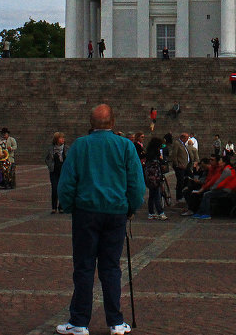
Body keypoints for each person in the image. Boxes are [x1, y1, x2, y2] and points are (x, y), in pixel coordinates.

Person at [56, 103, 144, 335]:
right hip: (115, 212)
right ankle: (115, 322)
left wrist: (69, 206)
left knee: (84, 267)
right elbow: (136, 183)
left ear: (91, 124)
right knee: (111, 268)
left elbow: (66, 182)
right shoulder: (125, 146)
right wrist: (132, 207)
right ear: (113, 123)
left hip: (86, 212)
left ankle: (79, 322)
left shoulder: (80, 145)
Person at [143, 136, 168, 220]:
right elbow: (159, 164)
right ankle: (160, 212)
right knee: (157, 195)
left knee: (152, 195)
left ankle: (151, 213)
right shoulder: (156, 154)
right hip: (155, 177)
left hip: (149, 177)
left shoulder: (149, 153)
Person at [45, 132, 68, 213]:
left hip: (64, 171)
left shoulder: (66, 148)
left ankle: (61, 207)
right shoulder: (51, 148)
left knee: (62, 189)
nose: (63, 139)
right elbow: (47, 159)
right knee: (55, 188)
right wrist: (50, 165)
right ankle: (54, 207)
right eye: (61, 138)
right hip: (54, 171)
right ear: (56, 139)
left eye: (63, 138)